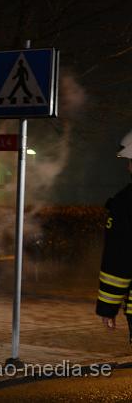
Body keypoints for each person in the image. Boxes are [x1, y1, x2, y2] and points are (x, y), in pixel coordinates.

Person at [97, 129, 132, 338]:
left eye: (131, 161)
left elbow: (118, 260)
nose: (128, 166)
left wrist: (107, 307)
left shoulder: (126, 203)